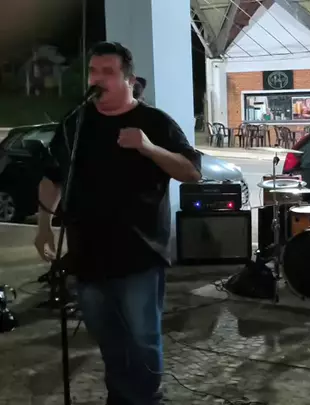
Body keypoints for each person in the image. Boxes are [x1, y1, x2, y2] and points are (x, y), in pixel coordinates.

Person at [33, 42, 202, 405]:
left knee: (142, 338)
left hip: (139, 253)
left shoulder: (154, 122)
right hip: (87, 254)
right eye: (93, 71)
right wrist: (44, 223)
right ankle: (121, 397)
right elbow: (53, 177)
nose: (97, 79)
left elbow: (191, 172)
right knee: (107, 336)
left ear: (129, 80)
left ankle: (147, 399)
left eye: (107, 72)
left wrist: (148, 148)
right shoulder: (76, 122)